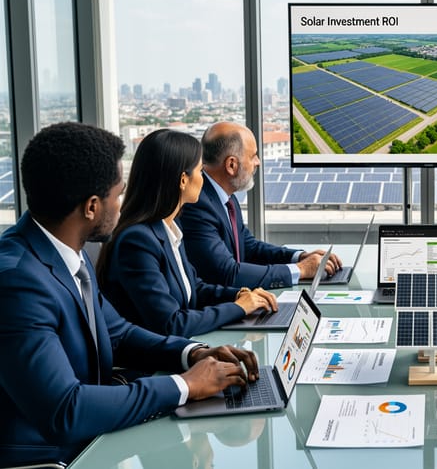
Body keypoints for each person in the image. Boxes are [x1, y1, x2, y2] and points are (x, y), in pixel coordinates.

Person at [0, 122, 260, 467]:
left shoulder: (66, 251)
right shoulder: (17, 282)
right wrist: (184, 385)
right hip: (58, 458)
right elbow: (66, 409)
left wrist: (193, 353)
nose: (121, 206)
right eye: (118, 194)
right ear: (91, 207)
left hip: (96, 436)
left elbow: (118, 333)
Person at [97, 129, 278, 338]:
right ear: (183, 180)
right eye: (200, 171)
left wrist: (240, 295)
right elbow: (172, 324)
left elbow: (194, 288)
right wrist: (239, 308)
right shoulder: (137, 241)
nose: (203, 179)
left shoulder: (169, 227)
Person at [180, 121, 341, 289]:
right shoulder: (196, 205)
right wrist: (300, 270)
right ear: (231, 165)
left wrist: (299, 257)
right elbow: (228, 274)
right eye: (253, 156)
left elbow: (249, 248)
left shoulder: (225, 197)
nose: (258, 162)